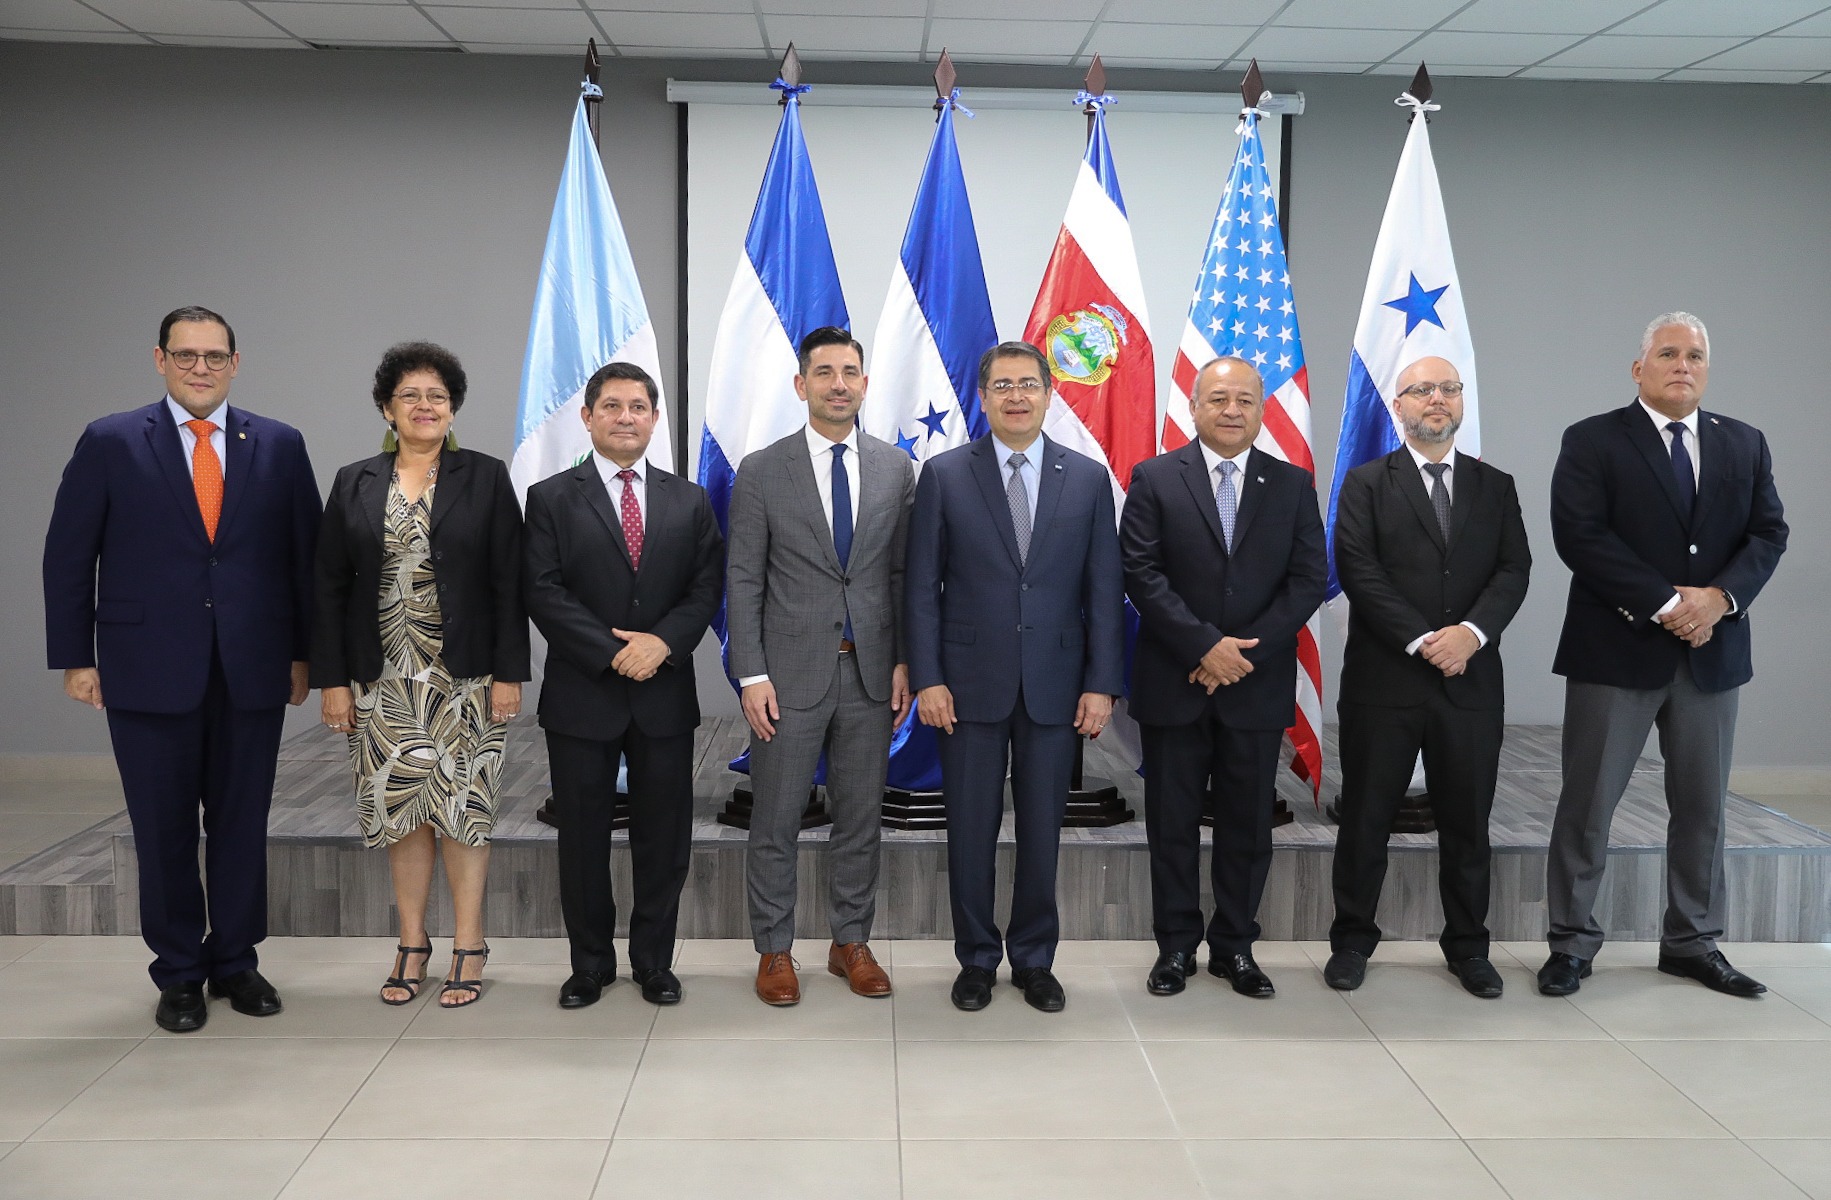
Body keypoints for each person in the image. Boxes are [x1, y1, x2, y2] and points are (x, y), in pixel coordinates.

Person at [43, 306, 320, 1033]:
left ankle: (235, 961)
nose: (201, 368)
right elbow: (69, 557)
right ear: (159, 359)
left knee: (239, 822)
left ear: (236, 362)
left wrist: (303, 656)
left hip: (252, 667)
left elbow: (304, 562)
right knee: (162, 828)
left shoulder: (280, 445)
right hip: (144, 667)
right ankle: (179, 973)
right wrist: (76, 657)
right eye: (186, 355)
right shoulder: (110, 441)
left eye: (215, 356)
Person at [1540, 313, 1787, 998]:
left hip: (1711, 655)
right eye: (1668, 353)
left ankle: (1690, 941)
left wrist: (1719, 600)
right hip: (1614, 650)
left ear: (1706, 370)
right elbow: (1579, 536)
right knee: (1588, 804)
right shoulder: (1592, 440)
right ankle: (1570, 943)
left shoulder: (1743, 443)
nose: (1683, 364)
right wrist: (1664, 604)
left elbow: (1768, 533)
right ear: (1638, 368)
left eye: (1696, 355)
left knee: (1702, 808)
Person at [906, 340, 1125, 1013]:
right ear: (982, 396)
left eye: (1028, 384)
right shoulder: (944, 474)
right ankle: (975, 959)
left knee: (1041, 831)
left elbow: (1103, 589)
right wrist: (928, 678)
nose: (1016, 396)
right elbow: (920, 588)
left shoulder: (1086, 479)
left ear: (1048, 393)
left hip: (1057, 686)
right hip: (965, 685)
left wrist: (1100, 683)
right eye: (1001, 385)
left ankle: (1033, 960)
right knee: (969, 830)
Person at [313, 342, 529, 1009]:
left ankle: (469, 943)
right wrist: (332, 680)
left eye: (437, 395)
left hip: (463, 678)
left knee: (464, 814)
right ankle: (412, 941)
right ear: (387, 407)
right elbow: (326, 585)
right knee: (401, 813)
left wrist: (508, 673)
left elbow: (508, 582)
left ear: (453, 406)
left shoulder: (485, 477)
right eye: (411, 395)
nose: (425, 406)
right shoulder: (354, 480)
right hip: (382, 680)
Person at [1323, 357, 1531, 998]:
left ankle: (1469, 946)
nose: (1436, 399)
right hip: (1385, 683)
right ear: (1400, 405)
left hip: (1469, 681)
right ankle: (1353, 940)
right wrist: (1422, 639)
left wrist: (1469, 635)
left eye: (1448, 389)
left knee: (1468, 823)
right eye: (1422, 390)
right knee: (1366, 819)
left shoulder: (1495, 485)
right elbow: (1358, 570)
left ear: (1460, 401)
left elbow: (1513, 569)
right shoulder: (1364, 483)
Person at [1121, 356, 1327, 999]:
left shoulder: (1291, 485)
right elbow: (1140, 572)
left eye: (1244, 399)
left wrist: (1242, 654)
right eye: (1218, 398)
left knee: (1247, 827)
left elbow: (1308, 580)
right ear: (1194, 407)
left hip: (1255, 685)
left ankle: (1235, 947)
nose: (1231, 410)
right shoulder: (1154, 477)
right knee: (1172, 824)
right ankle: (1176, 947)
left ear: (1262, 409)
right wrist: (1204, 646)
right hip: (1175, 681)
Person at [524, 362, 723, 1009]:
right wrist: (615, 654)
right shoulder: (552, 496)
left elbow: (705, 587)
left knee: (663, 840)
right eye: (611, 406)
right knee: (581, 838)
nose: (625, 416)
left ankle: (653, 964)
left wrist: (662, 644)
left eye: (638, 406)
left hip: (663, 694)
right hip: (584, 694)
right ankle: (589, 966)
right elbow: (543, 591)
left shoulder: (687, 499)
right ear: (587, 417)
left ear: (654, 417)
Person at [725, 326, 914, 1007]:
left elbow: (899, 575)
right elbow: (743, 579)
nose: (839, 383)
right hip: (786, 678)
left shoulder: (895, 467)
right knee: (775, 819)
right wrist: (750, 674)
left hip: (869, 675)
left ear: (865, 384)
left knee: (860, 819)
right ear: (800, 385)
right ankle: (774, 951)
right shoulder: (761, 469)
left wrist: (902, 664)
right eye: (825, 371)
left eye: (851, 372)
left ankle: (848, 943)